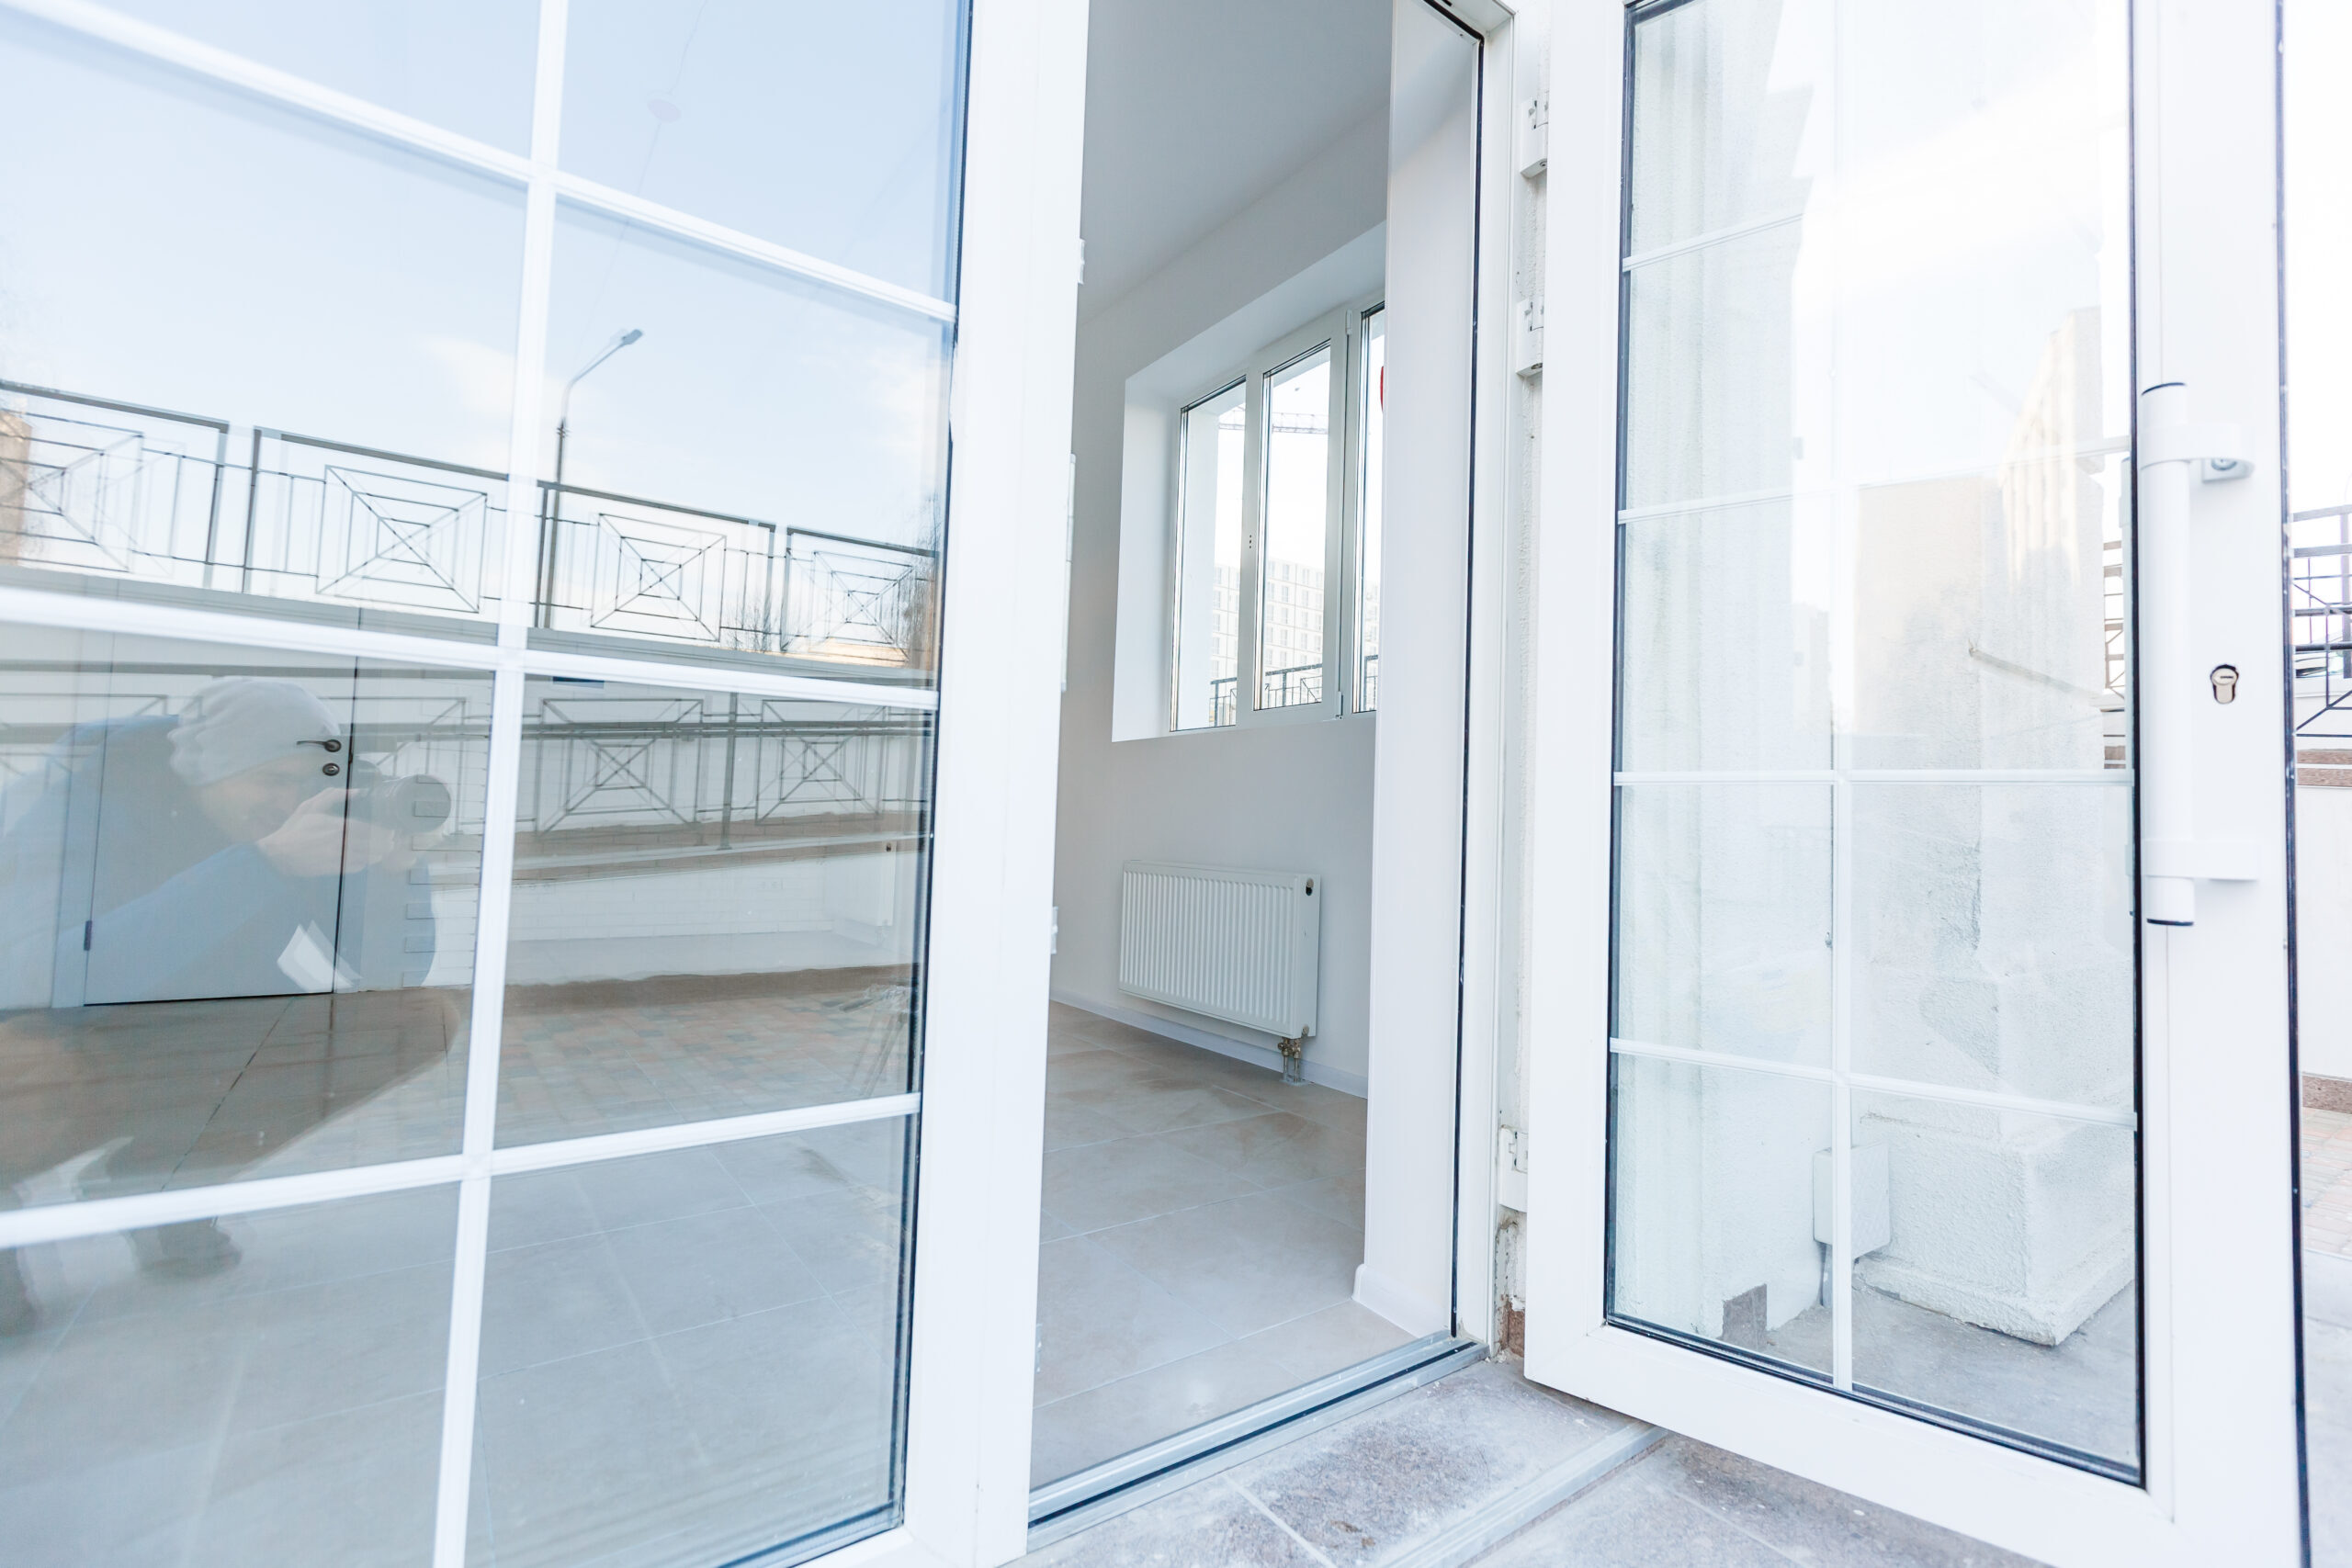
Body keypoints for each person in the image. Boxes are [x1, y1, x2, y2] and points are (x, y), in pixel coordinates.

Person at [0, 676, 444, 1332]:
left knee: (415, 1021)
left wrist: (395, 875)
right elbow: (46, 977)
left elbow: (386, 975)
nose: (290, 799)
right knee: (23, 1072)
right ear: (209, 773)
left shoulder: (304, 825)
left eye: (307, 780)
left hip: (195, 1028)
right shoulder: (87, 803)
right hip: (62, 1035)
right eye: (272, 779)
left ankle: (155, 1180)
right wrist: (262, 864)